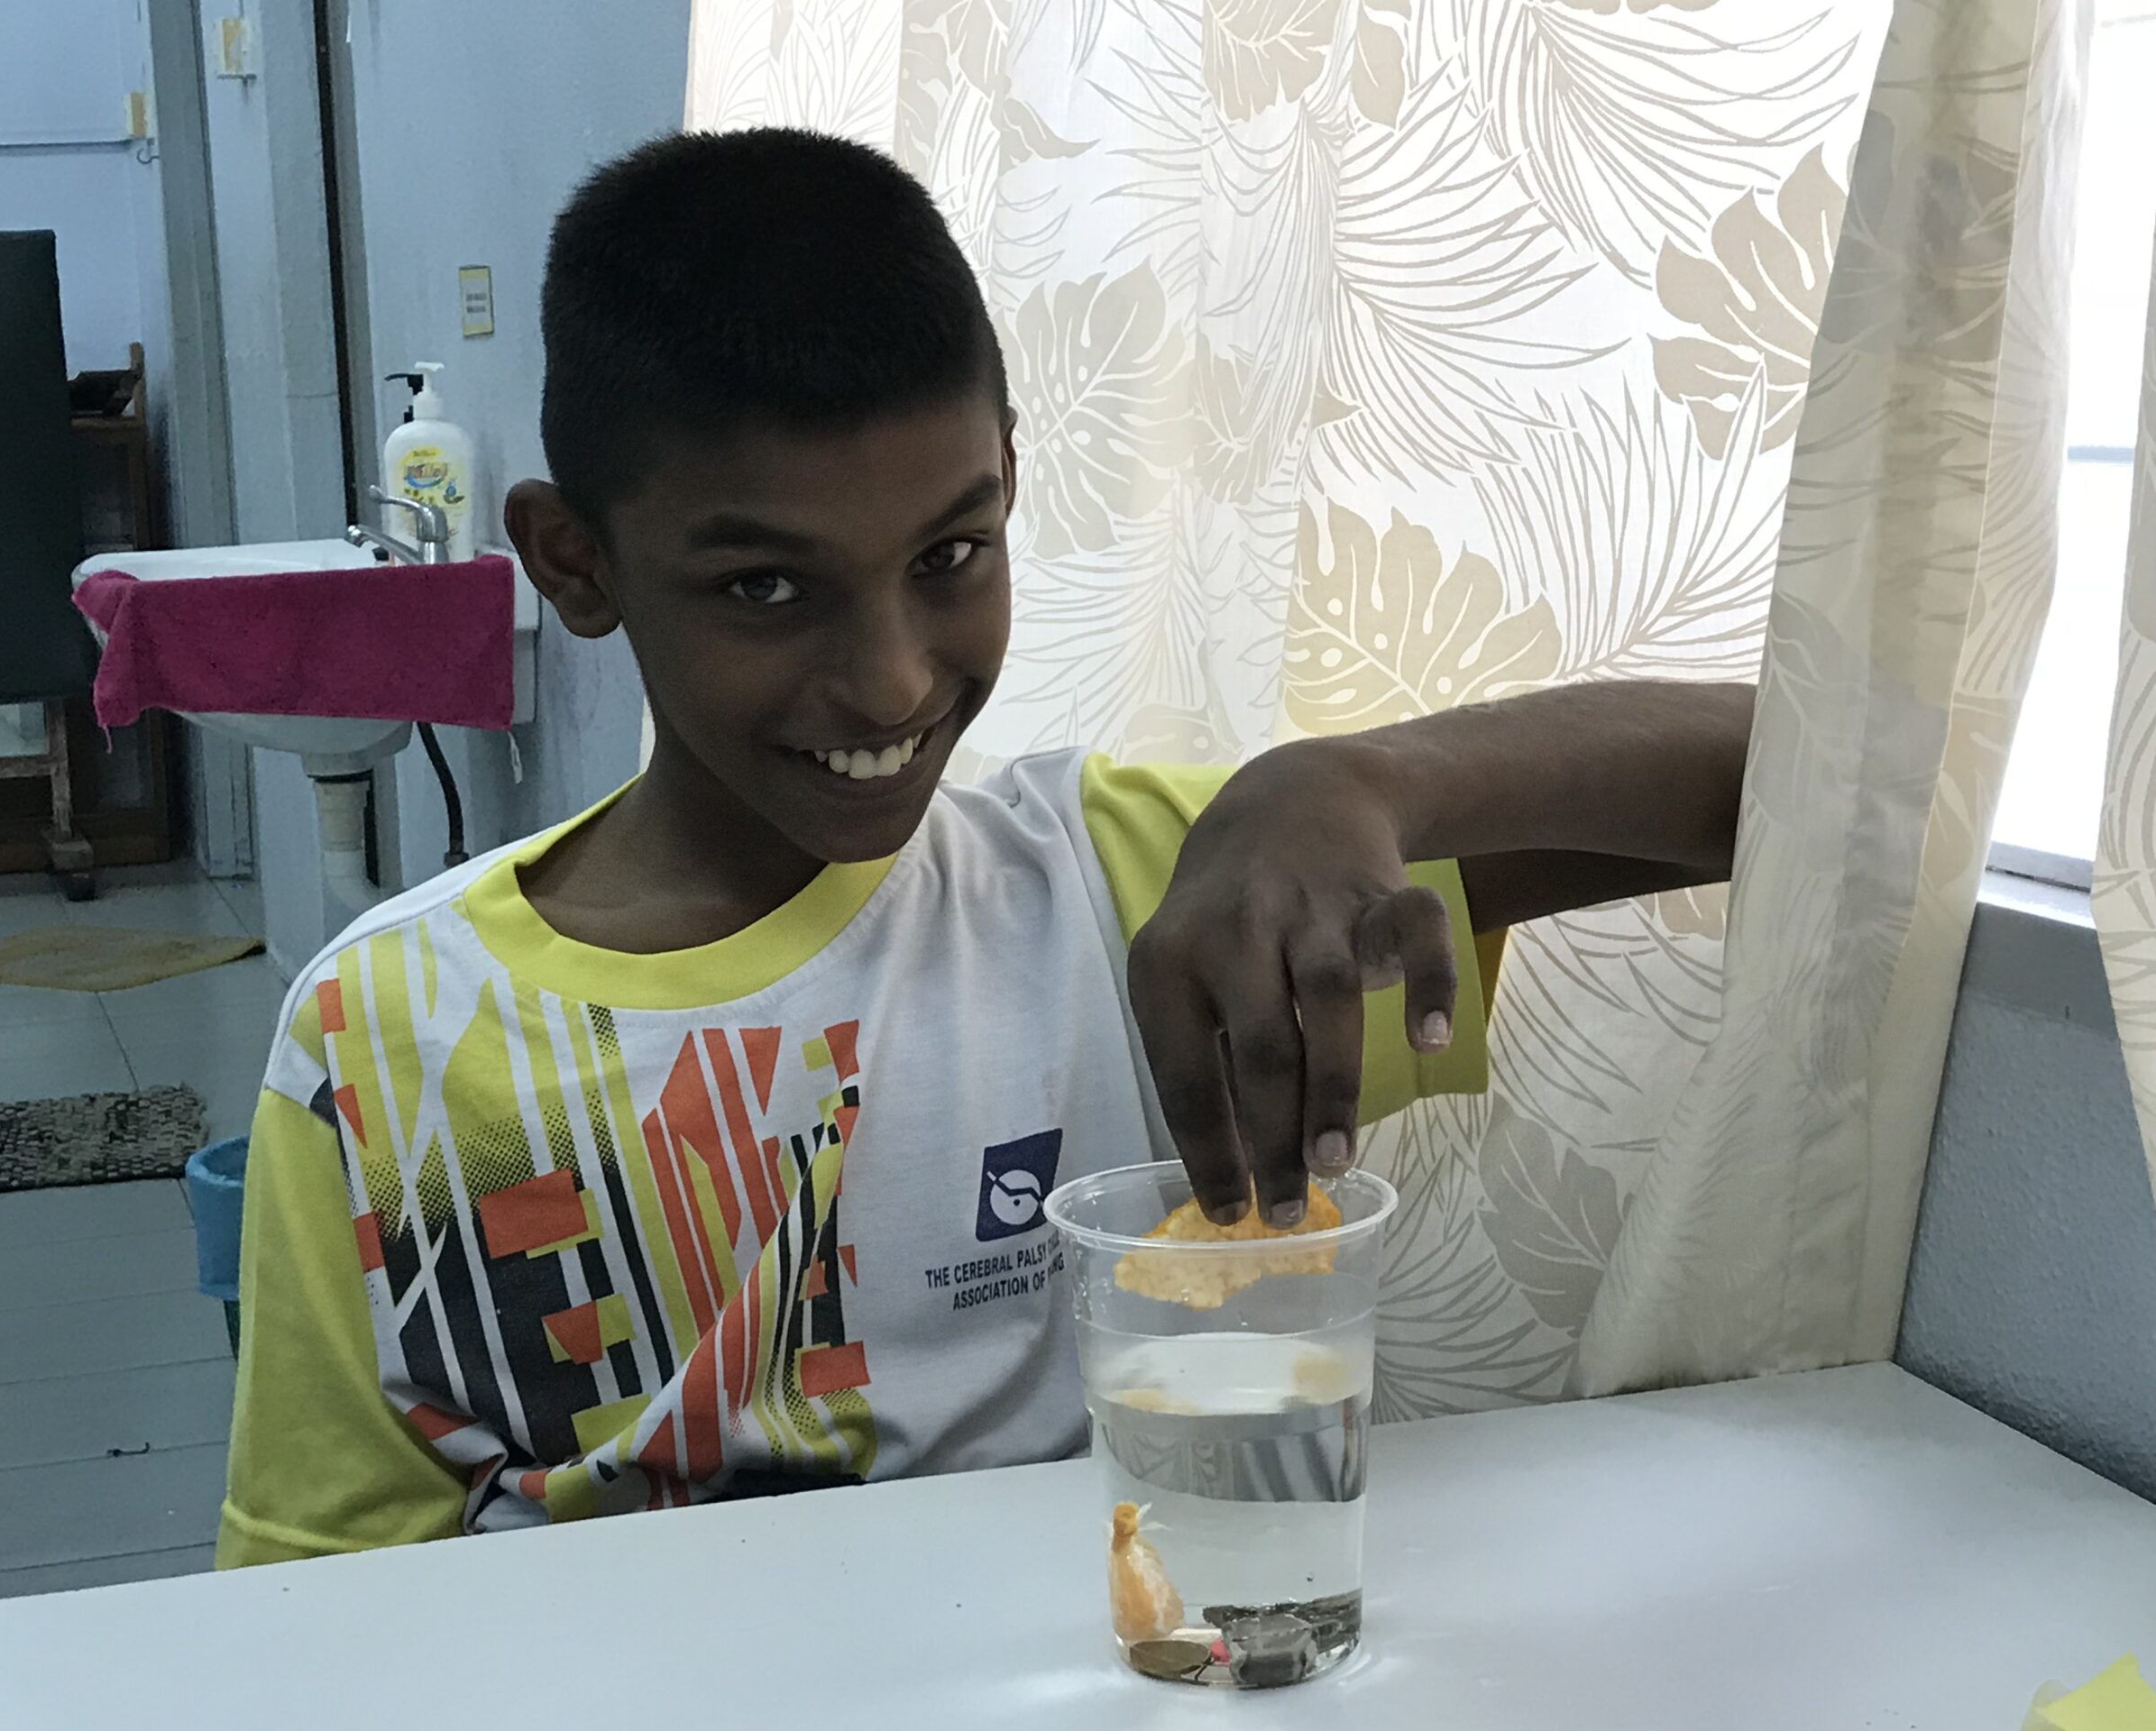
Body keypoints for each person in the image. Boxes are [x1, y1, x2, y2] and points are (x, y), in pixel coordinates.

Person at [216, 128, 1750, 1564]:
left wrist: (1357, 780)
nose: (891, 679)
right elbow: (311, 1617)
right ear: (574, 561)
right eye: (765, 588)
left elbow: (1780, 774)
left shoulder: (1134, 893)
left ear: (1011, 477)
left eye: (951, 553)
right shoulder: (384, 1039)